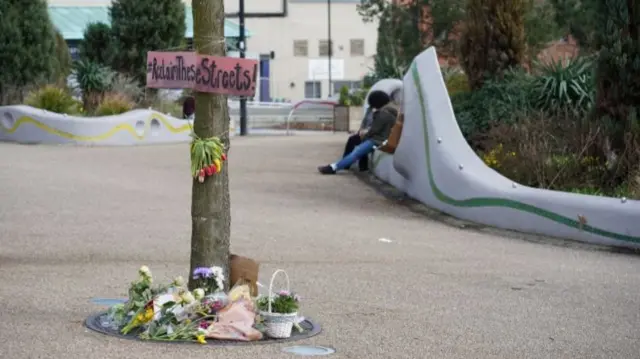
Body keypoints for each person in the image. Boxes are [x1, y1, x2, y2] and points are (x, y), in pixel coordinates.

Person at [318, 90, 398, 175]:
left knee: (355, 153)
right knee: (357, 151)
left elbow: (373, 130)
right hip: (381, 140)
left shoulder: (383, 114)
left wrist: (364, 134)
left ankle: (333, 167)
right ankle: (335, 166)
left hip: (377, 140)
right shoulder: (390, 111)